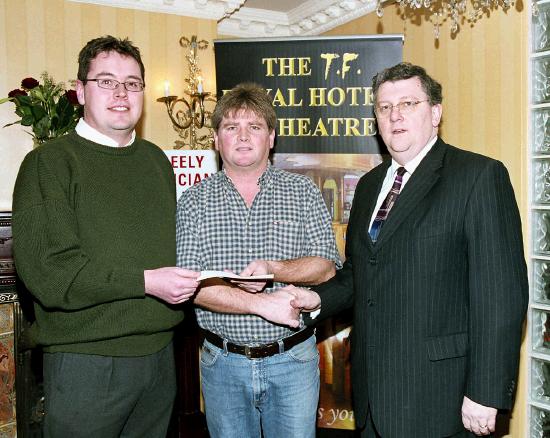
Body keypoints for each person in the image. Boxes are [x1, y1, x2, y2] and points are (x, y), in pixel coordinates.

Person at [288, 62, 528, 437]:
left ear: (435, 113)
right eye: (384, 107)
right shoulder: (368, 186)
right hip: (372, 398)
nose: (394, 115)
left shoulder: (478, 176)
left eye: (408, 104)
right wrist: (315, 300)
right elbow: (360, 271)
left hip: (440, 397)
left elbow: (501, 295)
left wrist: (485, 392)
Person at [12, 35, 200, 438]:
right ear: (80, 91)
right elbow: (50, 275)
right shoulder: (48, 164)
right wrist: (147, 282)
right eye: (107, 81)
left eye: (132, 83)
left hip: (160, 359)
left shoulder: (156, 162)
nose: (121, 93)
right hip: (88, 364)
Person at [176, 82, 341, 438]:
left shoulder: (303, 192)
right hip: (222, 365)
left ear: (272, 137)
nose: (243, 136)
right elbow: (193, 286)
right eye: (231, 127)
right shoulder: (193, 202)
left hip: (293, 361)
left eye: (255, 126)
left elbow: (327, 265)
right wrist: (262, 305)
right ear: (217, 140)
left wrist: (273, 268)